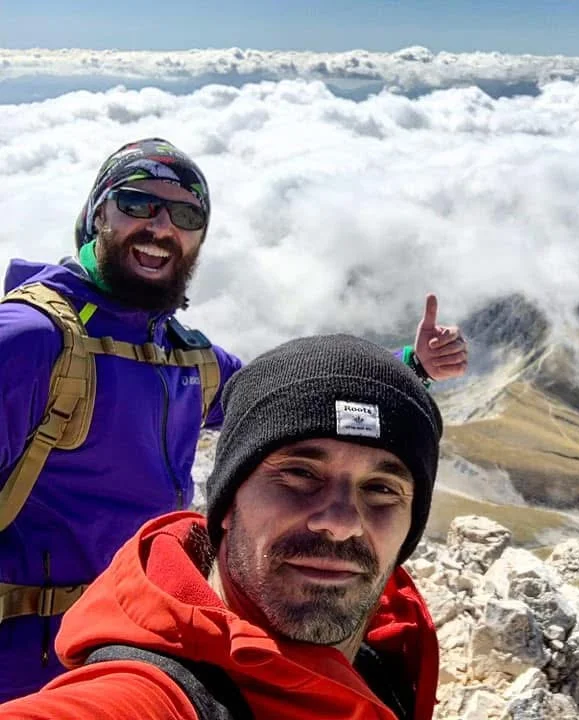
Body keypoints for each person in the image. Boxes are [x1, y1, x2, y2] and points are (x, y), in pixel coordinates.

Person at [0, 138, 468, 701]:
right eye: (137, 203)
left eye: (186, 214)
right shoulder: (30, 340)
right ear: (97, 213)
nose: (161, 226)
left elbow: (278, 405)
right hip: (29, 668)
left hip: (139, 643)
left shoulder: (185, 356)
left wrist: (409, 366)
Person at [0, 334, 444, 720]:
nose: (340, 522)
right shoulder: (162, 693)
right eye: (300, 474)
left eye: (383, 489)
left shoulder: (393, 656)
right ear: (227, 502)